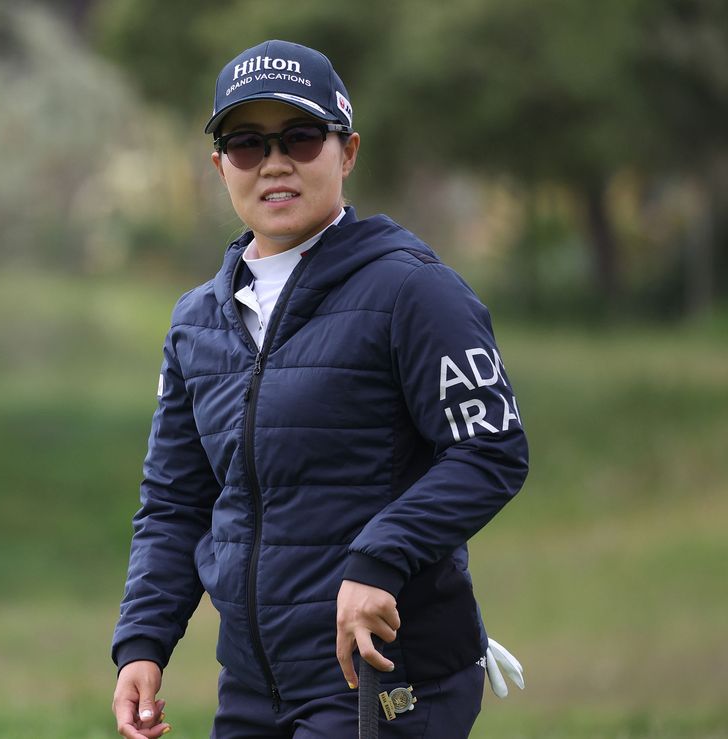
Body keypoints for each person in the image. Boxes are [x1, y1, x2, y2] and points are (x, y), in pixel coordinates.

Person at [110, 40, 529, 738]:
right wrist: (144, 639)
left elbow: (491, 450)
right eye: (247, 143)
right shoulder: (196, 323)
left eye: (300, 137)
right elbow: (176, 501)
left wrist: (380, 556)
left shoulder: (413, 290)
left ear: (348, 151)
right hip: (253, 684)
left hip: (387, 676)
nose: (274, 162)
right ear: (220, 166)